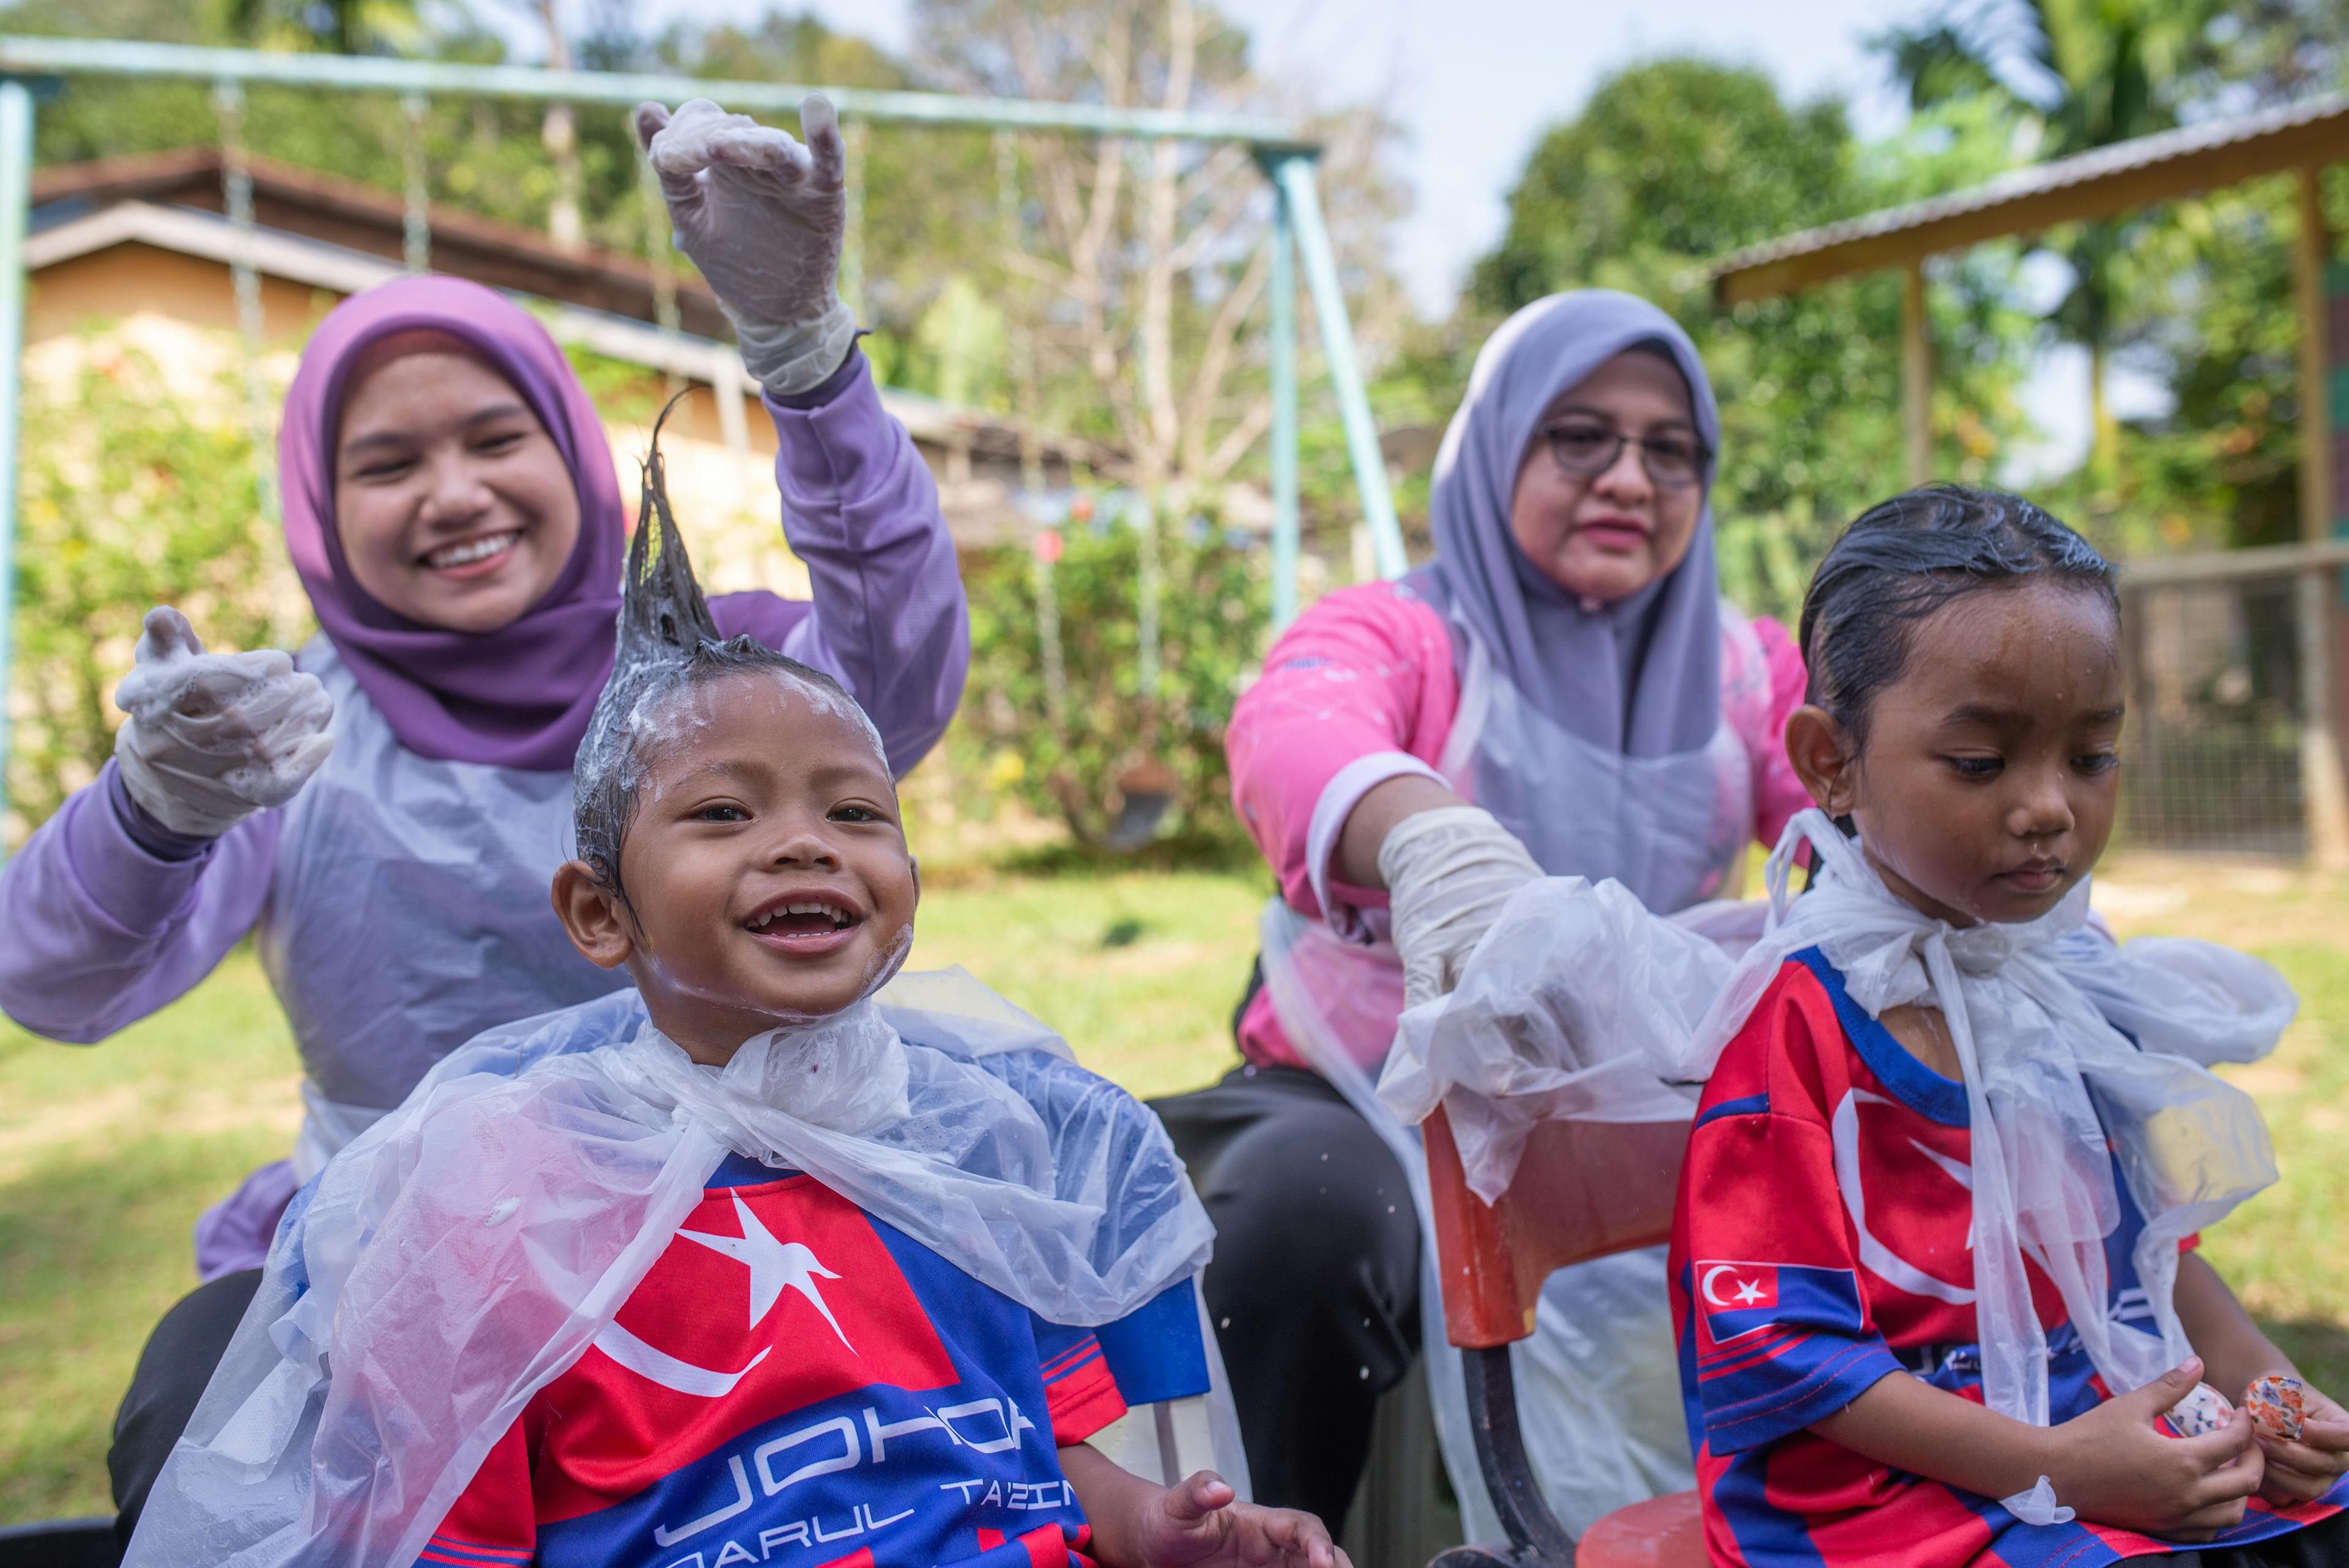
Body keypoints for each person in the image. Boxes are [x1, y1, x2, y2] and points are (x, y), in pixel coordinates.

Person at [0, 96, 967, 1540]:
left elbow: (896, 683)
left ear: (567, 445)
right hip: (399, 1266)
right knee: (193, 1394)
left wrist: (808, 359)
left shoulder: (727, 675)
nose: (454, 494)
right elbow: (53, 981)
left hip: (761, 1216)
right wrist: (153, 809)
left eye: (494, 438)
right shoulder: (286, 737)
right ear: (322, 508)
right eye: (387, 464)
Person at [126, 453, 1324, 1568]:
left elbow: (1055, 1462)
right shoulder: (504, 1226)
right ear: (599, 912)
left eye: (858, 814)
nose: (805, 841)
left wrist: (1159, 1529)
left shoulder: (972, 1159)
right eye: (723, 814)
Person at [1150, 289, 1811, 1531]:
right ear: (1497, 444)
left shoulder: (1745, 666)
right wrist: (1427, 836)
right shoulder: (1405, 627)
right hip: (1370, 1077)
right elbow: (1291, 726)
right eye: (1580, 435)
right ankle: (1253, 1541)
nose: (1629, 476)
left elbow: (1854, 797)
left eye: (1671, 449)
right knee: (1305, 1216)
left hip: (1650, 1100)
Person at [1672, 486, 2349, 1566]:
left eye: (2092, 757)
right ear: (1830, 762)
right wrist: (2060, 1468)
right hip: (1879, 1498)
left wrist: (2273, 1389)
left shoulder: (2074, 984)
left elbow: (2154, 1249)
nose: (2051, 808)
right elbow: (1782, 1350)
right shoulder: (1797, 1025)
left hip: (2094, 1430)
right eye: (1982, 764)